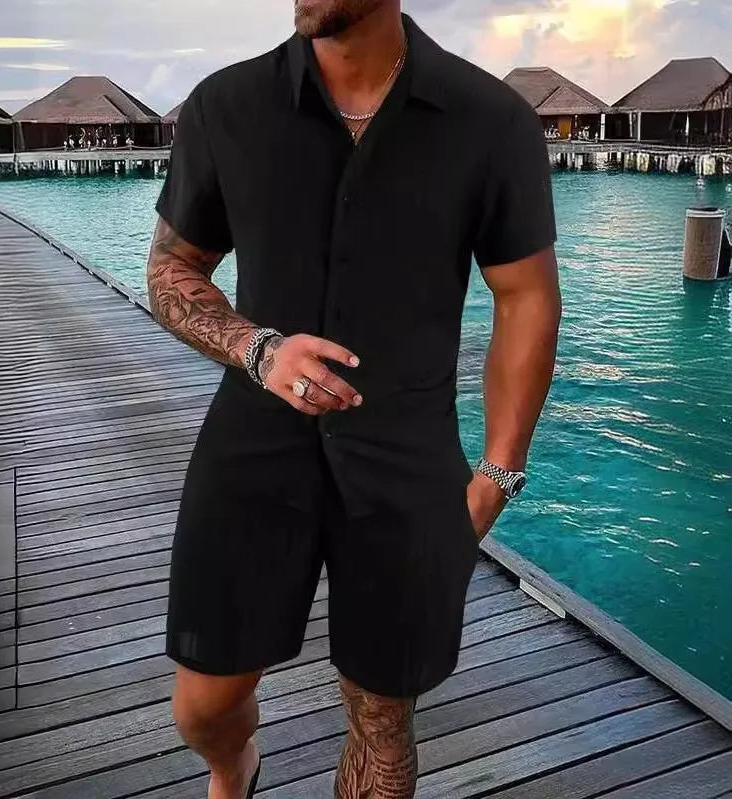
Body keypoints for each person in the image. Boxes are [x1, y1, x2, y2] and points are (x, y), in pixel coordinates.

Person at [147, 1, 560, 797]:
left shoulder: (490, 120)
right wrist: (257, 348)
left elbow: (526, 297)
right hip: (253, 443)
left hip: (406, 456)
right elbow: (171, 269)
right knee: (202, 706)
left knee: (382, 723)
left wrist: (497, 473)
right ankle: (235, 765)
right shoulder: (225, 105)